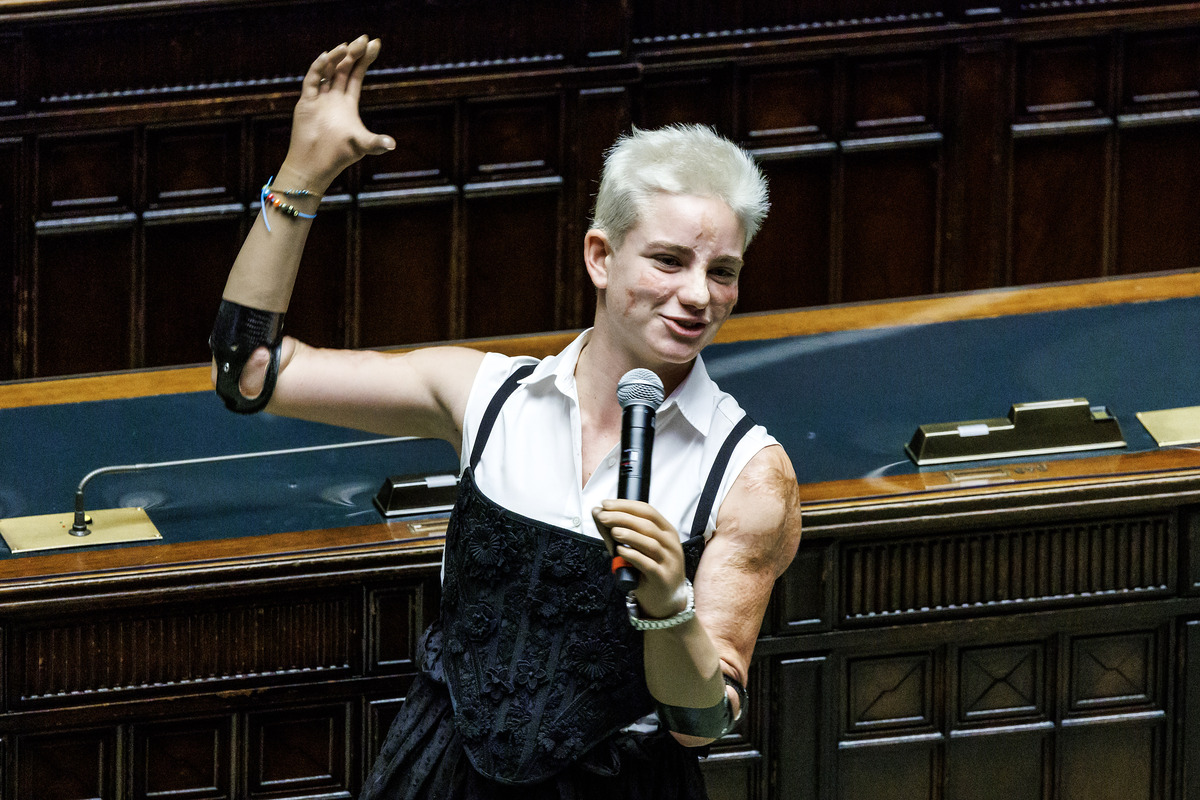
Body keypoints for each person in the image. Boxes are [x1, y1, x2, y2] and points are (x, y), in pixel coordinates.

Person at [210, 36, 802, 800]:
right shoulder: (488, 396)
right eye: (669, 260)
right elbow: (249, 372)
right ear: (600, 256)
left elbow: (701, 723)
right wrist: (303, 174)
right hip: (441, 776)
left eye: (723, 272)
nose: (698, 295)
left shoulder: (750, 476)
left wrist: (668, 608)